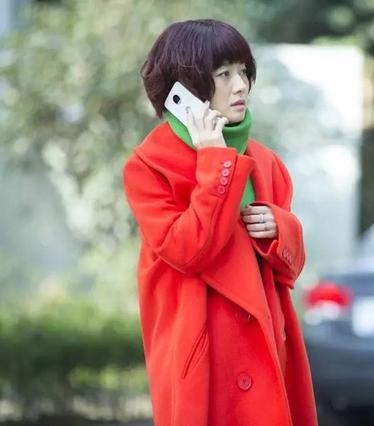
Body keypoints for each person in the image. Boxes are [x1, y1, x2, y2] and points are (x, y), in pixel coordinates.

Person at [122, 19, 318, 426]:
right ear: (186, 88)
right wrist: (215, 162)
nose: (241, 85)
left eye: (243, 71)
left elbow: (290, 269)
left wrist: (281, 228)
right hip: (203, 361)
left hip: (266, 354)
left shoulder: (266, 162)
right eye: (224, 74)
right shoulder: (149, 166)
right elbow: (187, 251)